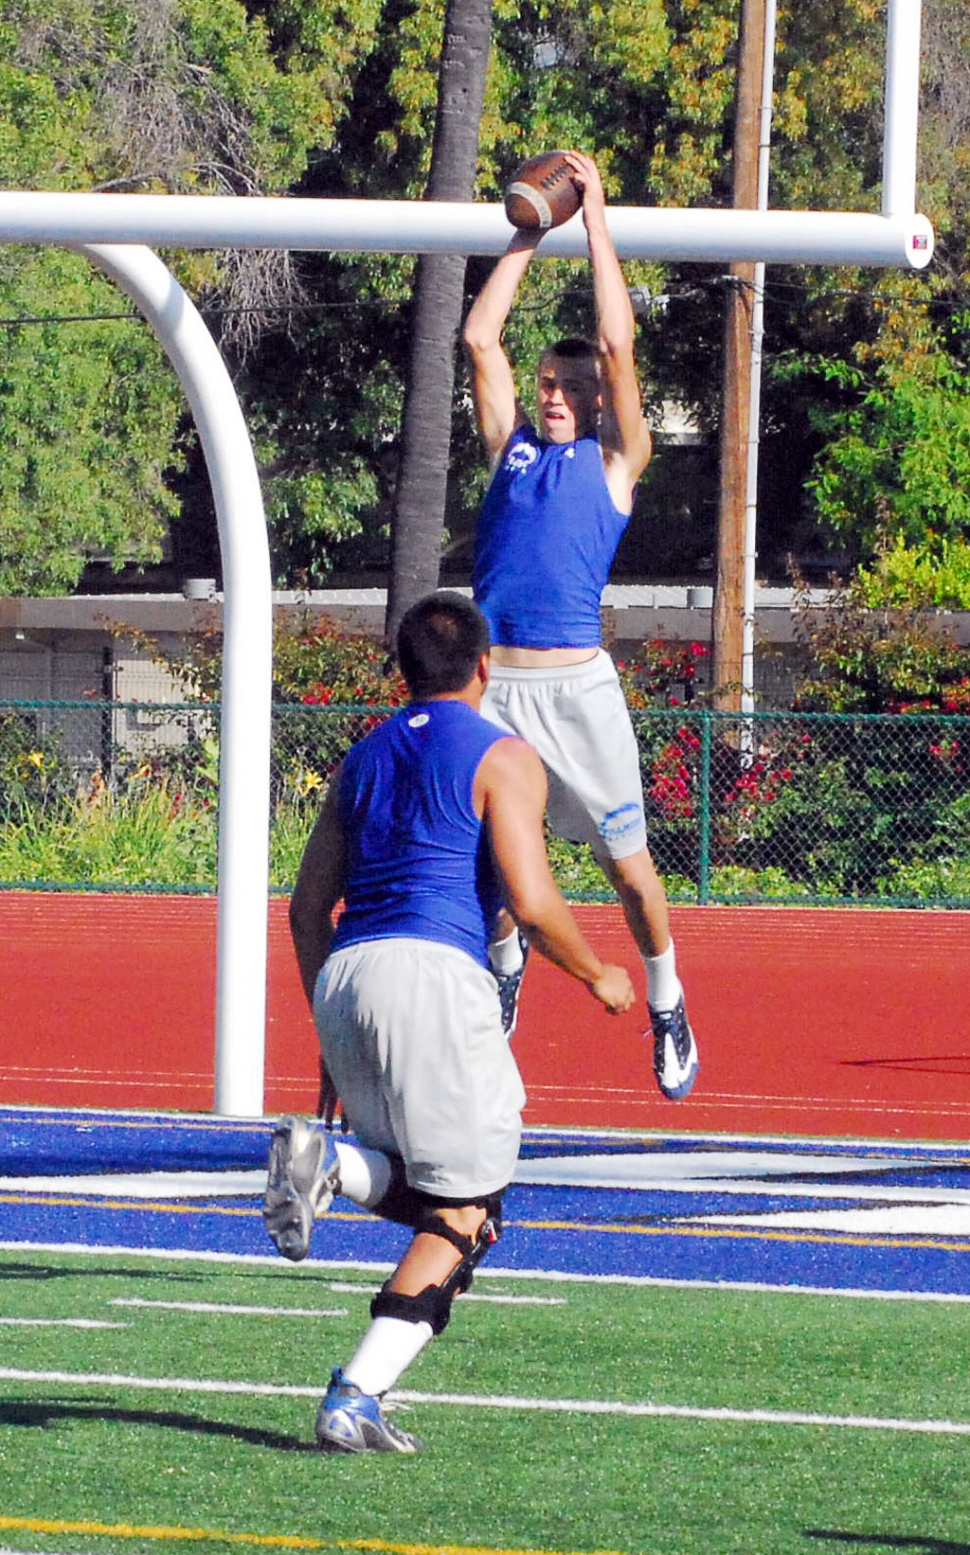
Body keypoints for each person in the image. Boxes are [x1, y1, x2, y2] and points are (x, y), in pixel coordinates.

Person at [264, 590, 634, 1455]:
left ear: (403, 671)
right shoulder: (505, 755)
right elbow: (534, 903)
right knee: (469, 1210)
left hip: (349, 975)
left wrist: (326, 1027)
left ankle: (340, 1169)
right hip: (435, 973)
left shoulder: (362, 758)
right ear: (483, 668)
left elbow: (308, 908)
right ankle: (353, 1394)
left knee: (451, 1204)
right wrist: (599, 973)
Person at [462, 148, 698, 1101]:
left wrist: (594, 215)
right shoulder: (507, 452)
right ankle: (507, 967)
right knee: (493, 861)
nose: (552, 391)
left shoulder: (614, 463)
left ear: (594, 399)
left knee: (632, 874)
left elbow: (617, 342)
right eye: (545, 384)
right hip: (500, 686)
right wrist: (530, 232)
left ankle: (668, 993)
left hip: (577, 688)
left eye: (568, 383)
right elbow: (481, 338)